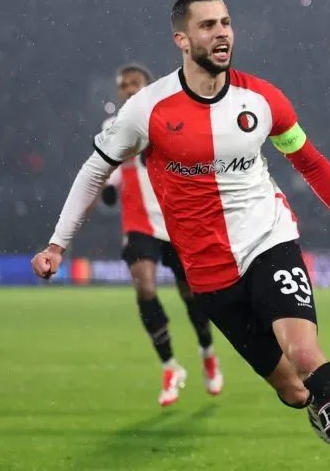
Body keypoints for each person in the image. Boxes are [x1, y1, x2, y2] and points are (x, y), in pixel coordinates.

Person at [32, 0, 330, 471]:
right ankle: (317, 408)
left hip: (269, 240)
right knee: (293, 389)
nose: (222, 31)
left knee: (305, 352)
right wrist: (58, 243)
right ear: (182, 39)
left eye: (226, 22)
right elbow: (95, 170)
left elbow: (309, 161)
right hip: (208, 271)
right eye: (208, 25)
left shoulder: (262, 99)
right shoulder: (147, 108)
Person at [100, 62, 222, 406]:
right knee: (145, 289)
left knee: (192, 297)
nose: (127, 89)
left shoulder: (169, 118)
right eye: (123, 84)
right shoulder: (112, 127)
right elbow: (108, 171)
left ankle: (207, 351)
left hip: (176, 222)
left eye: (134, 83)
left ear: (148, 87)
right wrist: (109, 188)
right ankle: (170, 366)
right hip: (138, 224)